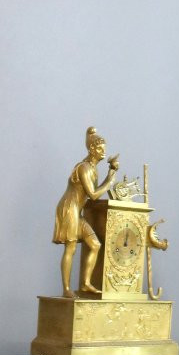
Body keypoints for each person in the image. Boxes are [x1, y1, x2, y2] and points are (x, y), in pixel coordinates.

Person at [52, 128, 119, 298]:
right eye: (100, 148)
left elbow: (94, 193)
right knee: (71, 247)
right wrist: (110, 181)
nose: (104, 151)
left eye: (104, 148)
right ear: (92, 149)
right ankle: (66, 289)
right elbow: (94, 195)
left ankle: (85, 283)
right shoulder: (83, 168)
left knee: (95, 245)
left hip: (77, 210)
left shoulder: (92, 169)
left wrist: (111, 173)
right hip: (69, 209)